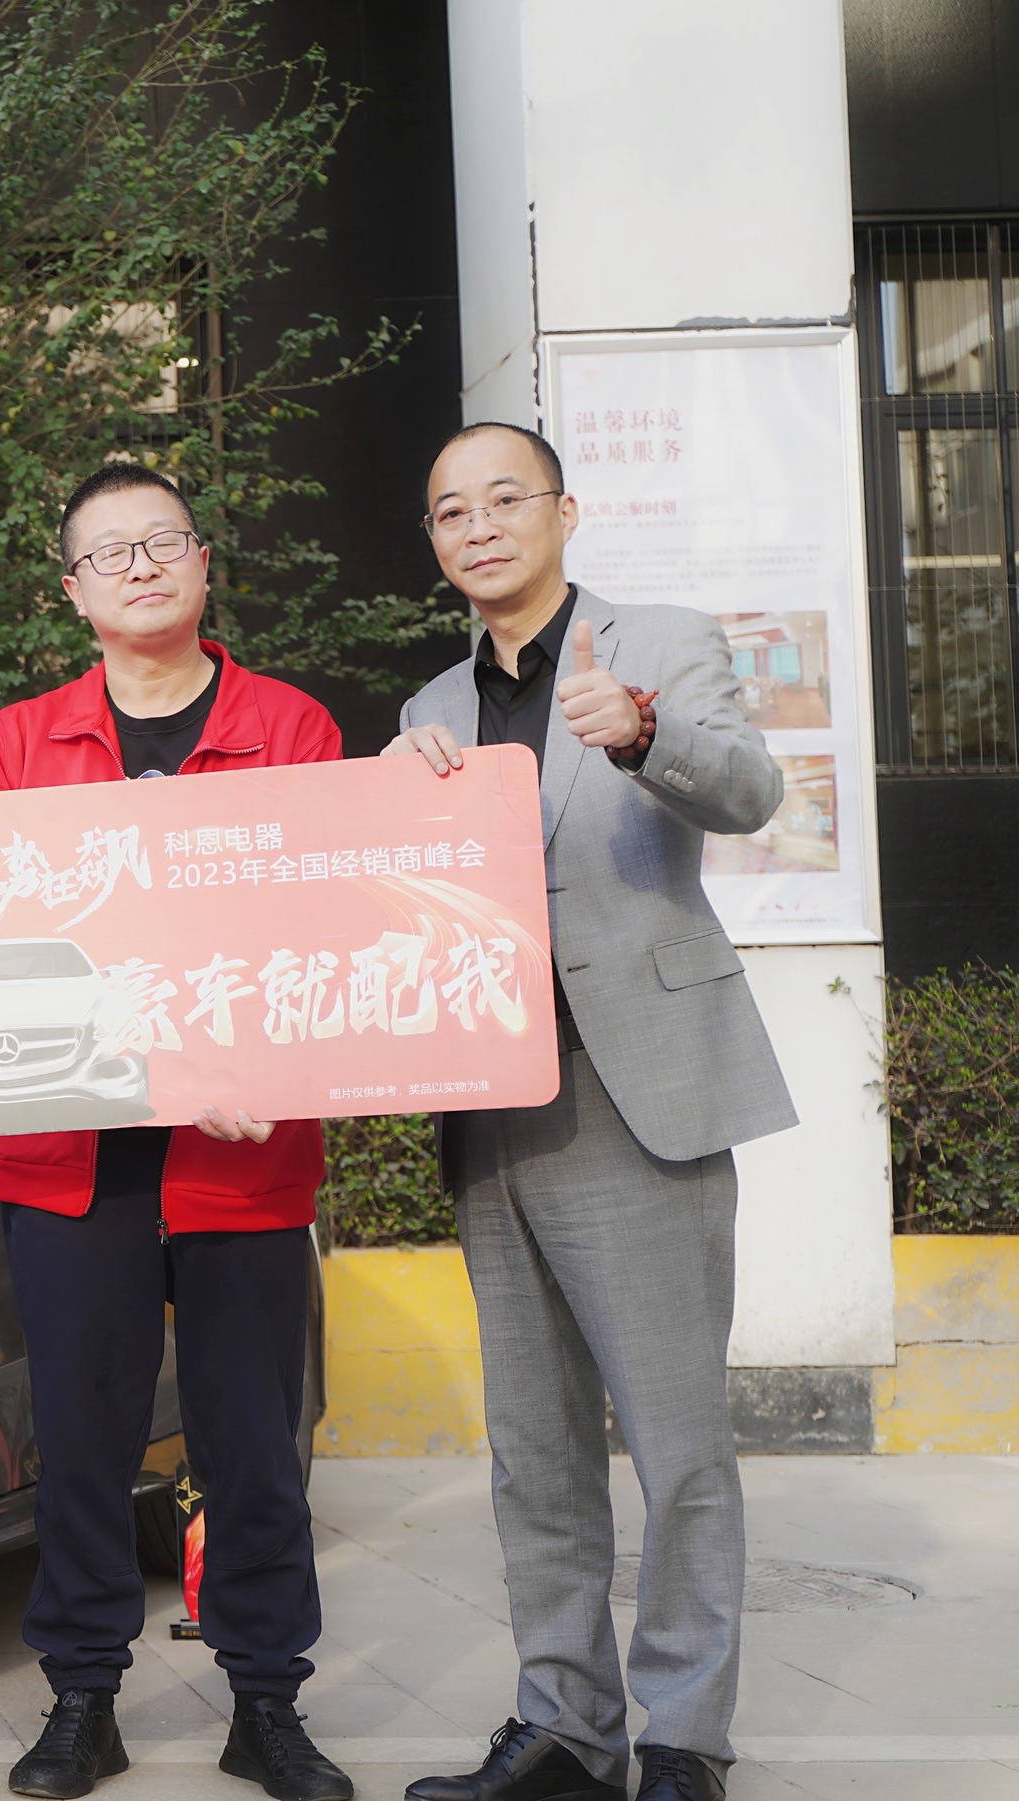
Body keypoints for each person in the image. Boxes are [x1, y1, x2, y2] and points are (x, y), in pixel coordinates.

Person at [0, 463, 351, 1801]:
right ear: (73, 591)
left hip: (240, 1153)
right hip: (74, 1160)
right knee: (81, 1439)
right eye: (109, 552)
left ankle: (266, 1701)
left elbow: (335, 919)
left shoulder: (290, 729)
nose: (140, 566)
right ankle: (82, 1697)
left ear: (204, 562)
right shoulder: (15, 747)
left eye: (162, 541)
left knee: (251, 1443)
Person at [386, 424, 791, 1801]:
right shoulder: (430, 704)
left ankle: (682, 1739)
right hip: (490, 1104)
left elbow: (752, 789)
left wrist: (646, 733)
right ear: (435, 542)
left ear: (566, 511)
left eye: (506, 498)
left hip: (637, 1092)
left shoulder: (659, 642)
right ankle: (565, 1726)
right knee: (534, 1452)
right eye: (452, 511)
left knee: (678, 1449)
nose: (480, 526)